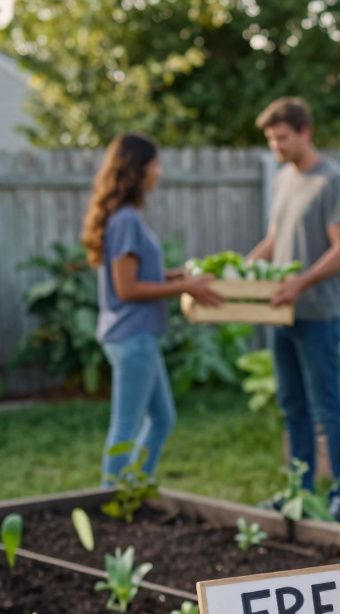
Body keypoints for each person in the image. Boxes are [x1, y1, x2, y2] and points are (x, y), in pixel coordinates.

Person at [83, 132, 222, 485]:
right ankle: (111, 497)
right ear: (137, 170)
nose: (159, 172)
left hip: (136, 336)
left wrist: (177, 275)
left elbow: (135, 274)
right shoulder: (127, 220)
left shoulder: (124, 217)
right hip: (133, 337)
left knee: (162, 419)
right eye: (154, 164)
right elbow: (127, 288)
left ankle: (135, 488)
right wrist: (185, 287)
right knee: (126, 426)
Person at [248, 97, 340, 523]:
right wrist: (243, 267)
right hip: (282, 313)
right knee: (292, 405)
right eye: (272, 139)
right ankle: (300, 489)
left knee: (327, 405)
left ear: (305, 132)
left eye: (282, 138)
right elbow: (276, 238)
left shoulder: (333, 181)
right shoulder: (282, 179)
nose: (276, 146)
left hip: (319, 313)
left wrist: (300, 282)